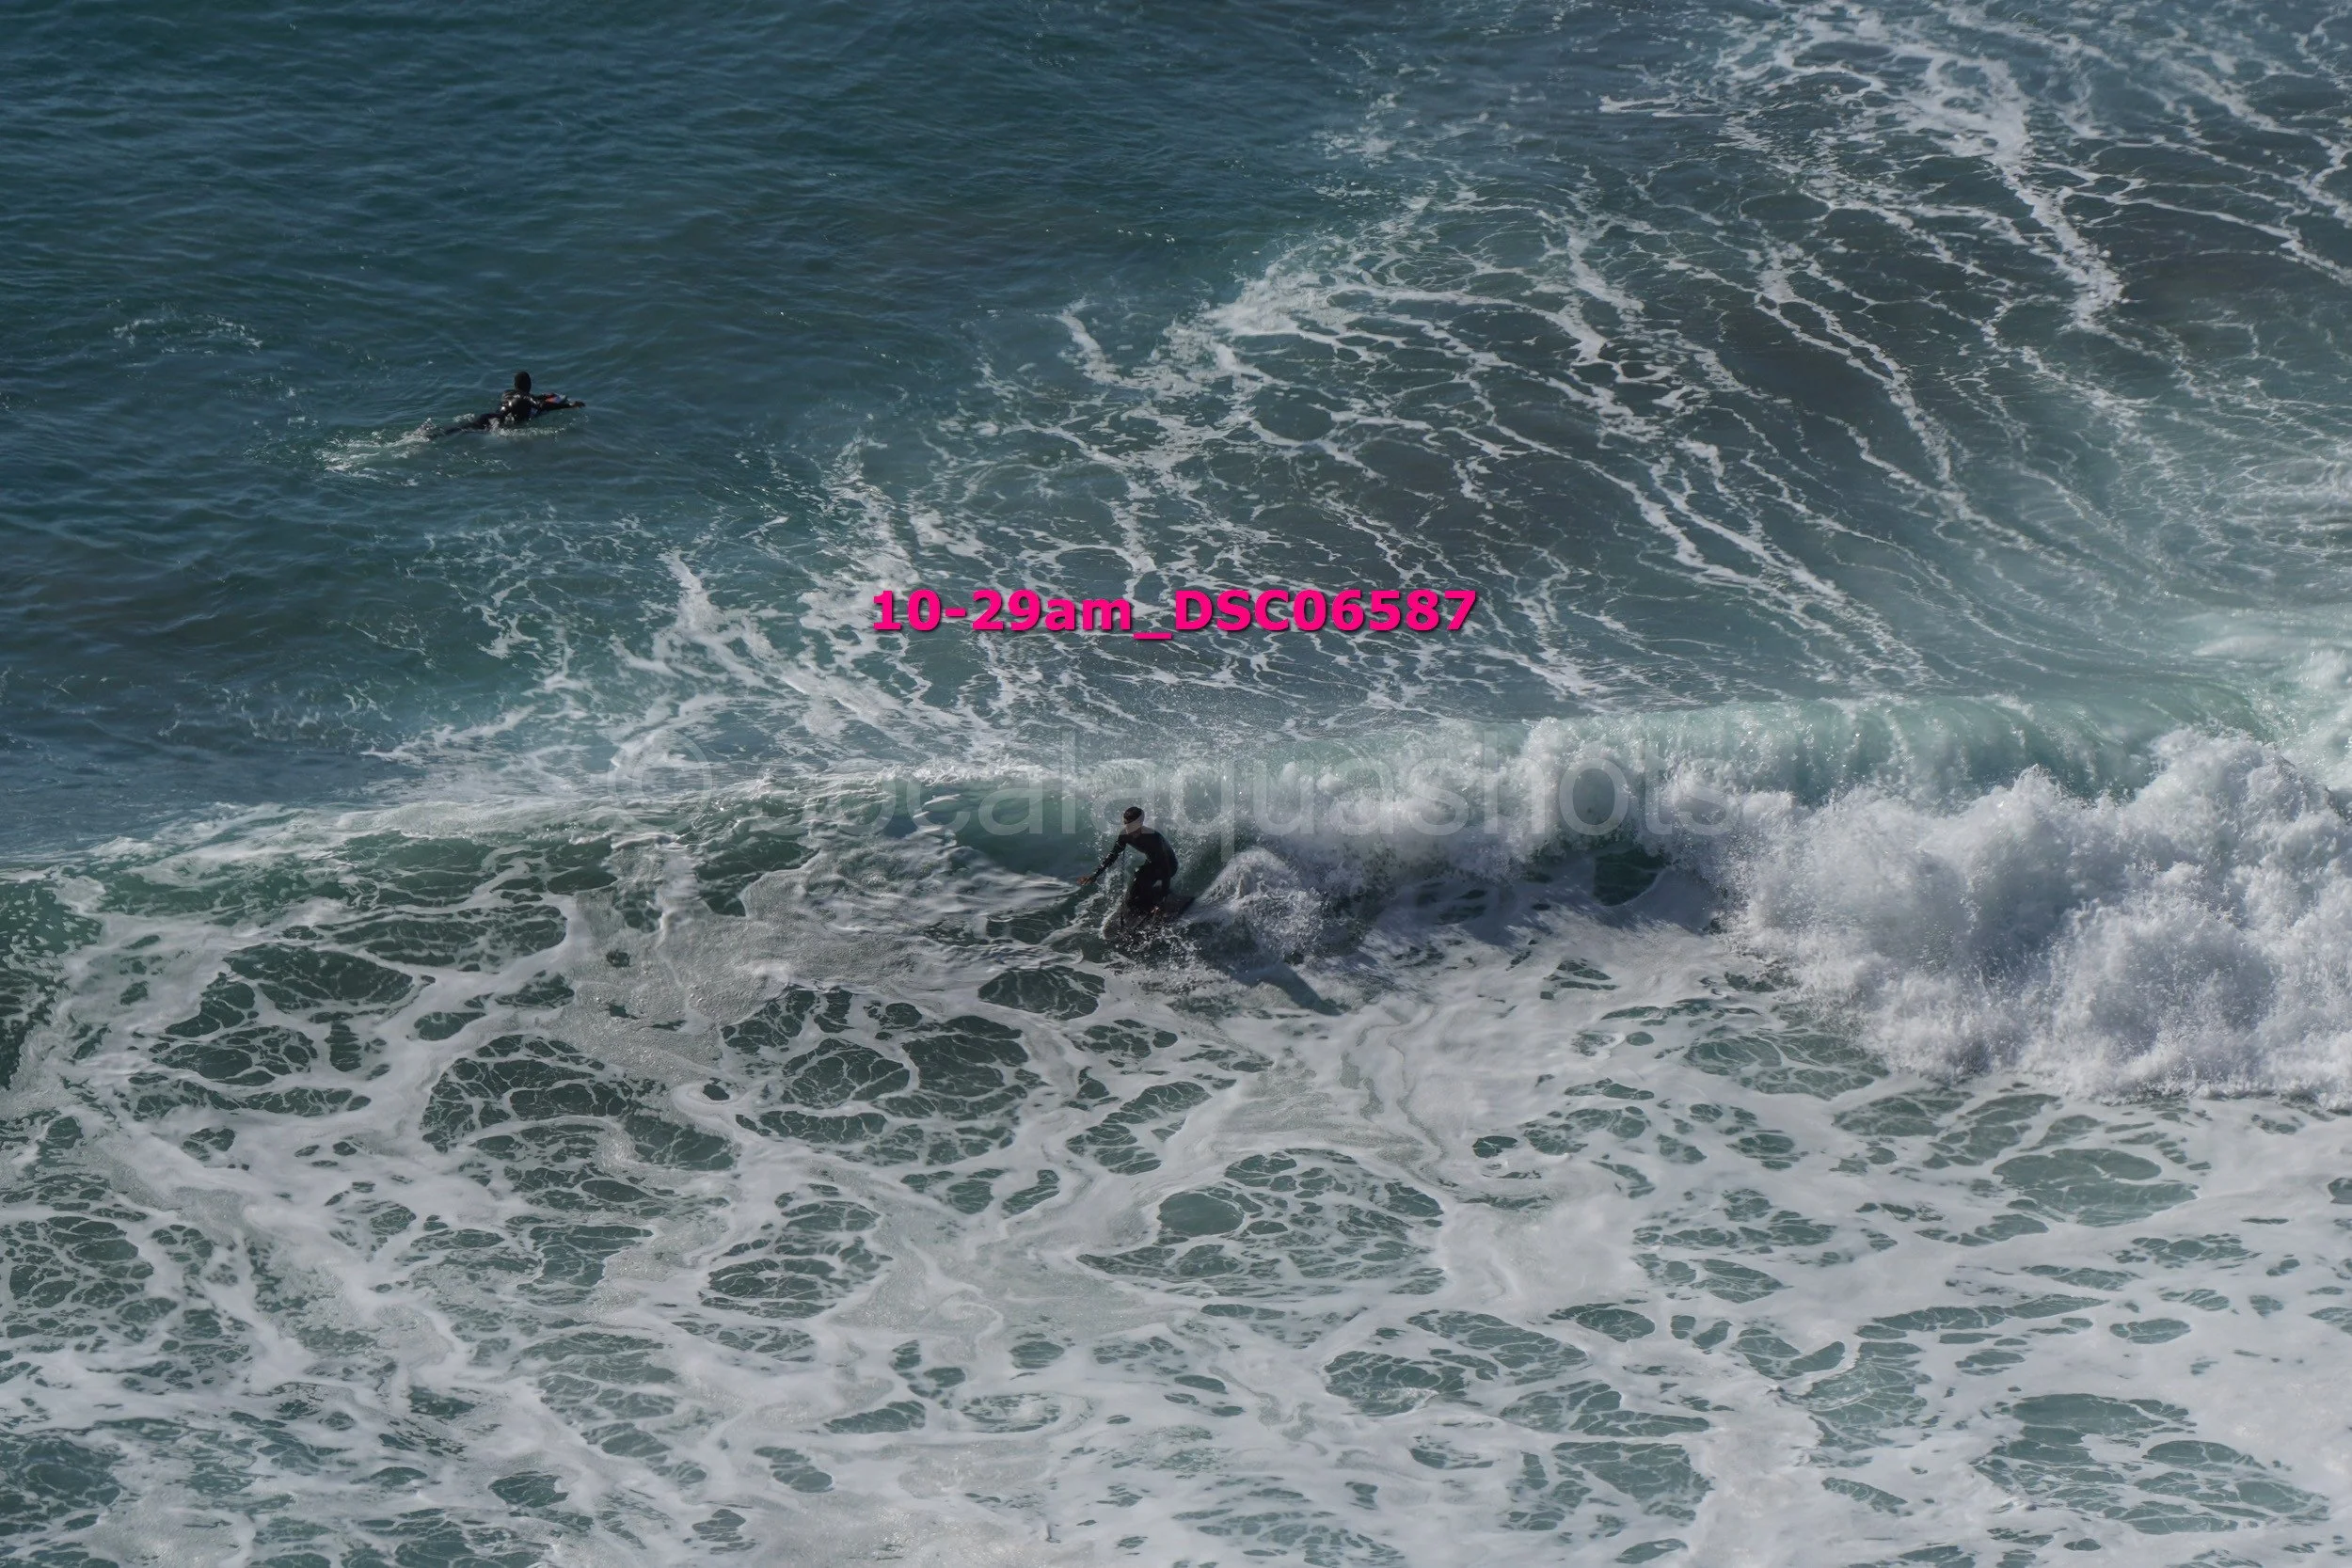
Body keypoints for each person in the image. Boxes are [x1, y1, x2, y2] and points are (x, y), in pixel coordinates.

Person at [1080, 806, 1179, 916]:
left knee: (1139, 872)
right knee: (1130, 901)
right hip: (1151, 865)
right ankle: (1149, 896)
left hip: (1169, 867)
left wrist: (1162, 900)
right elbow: (1113, 855)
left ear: (1140, 823)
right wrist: (1095, 874)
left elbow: (1166, 869)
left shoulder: (1154, 838)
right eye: (1126, 824)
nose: (1128, 829)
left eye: (1132, 825)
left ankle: (1156, 902)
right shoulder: (1124, 835)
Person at [430, 371, 584, 437]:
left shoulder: (507, 392)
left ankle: (432, 434)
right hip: (499, 424)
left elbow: (523, 398)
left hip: (488, 417)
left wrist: (543, 396)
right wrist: (569, 405)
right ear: (529, 385)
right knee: (465, 432)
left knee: (461, 428)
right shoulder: (526, 397)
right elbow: (541, 406)